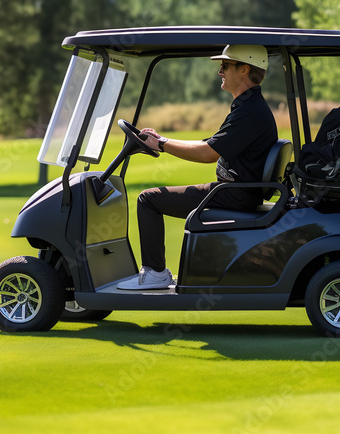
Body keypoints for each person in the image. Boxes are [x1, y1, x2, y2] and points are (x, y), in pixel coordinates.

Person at [117, 44, 279, 290]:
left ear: (244, 69)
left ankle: (155, 273)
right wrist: (162, 140)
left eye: (225, 66)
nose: (220, 71)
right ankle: (156, 273)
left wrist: (161, 145)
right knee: (152, 197)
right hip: (236, 191)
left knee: (148, 199)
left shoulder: (249, 111)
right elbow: (210, 143)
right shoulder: (248, 106)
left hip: (233, 195)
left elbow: (207, 154)